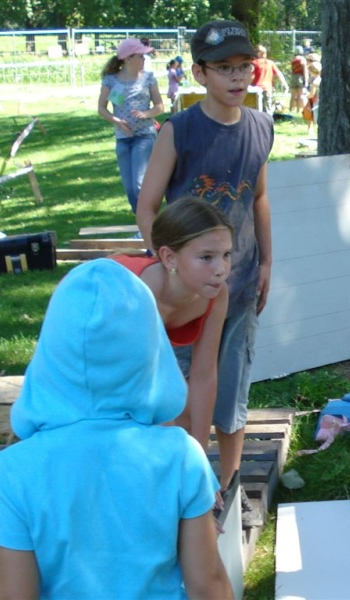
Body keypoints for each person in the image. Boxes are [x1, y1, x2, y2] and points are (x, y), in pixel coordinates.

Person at [0, 259, 233, 599]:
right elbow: (208, 585)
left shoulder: (13, 470)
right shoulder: (181, 455)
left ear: (49, 354)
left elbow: (15, 595)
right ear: (150, 352)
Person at [137, 19, 274, 529]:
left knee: (231, 383)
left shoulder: (262, 125)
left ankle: (229, 481)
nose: (237, 78)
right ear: (200, 72)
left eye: (244, 67)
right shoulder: (180, 129)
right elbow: (148, 206)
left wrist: (264, 262)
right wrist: (171, 269)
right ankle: (181, 477)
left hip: (237, 287)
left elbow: (258, 197)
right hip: (184, 295)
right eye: (223, 69)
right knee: (178, 385)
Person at [112, 197, 232, 452]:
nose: (221, 269)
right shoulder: (140, 295)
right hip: (91, 345)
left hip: (137, 371)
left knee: (185, 418)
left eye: (227, 255)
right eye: (206, 257)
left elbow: (204, 375)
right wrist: (177, 459)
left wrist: (198, 457)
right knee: (135, 431)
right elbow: (146, 384)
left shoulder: (216, 294)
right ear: (169, 258)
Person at [98, 38, 164, 214]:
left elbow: (160, 106)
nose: (144, 59)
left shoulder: (148, 78)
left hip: (144, 136)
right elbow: (101, 108)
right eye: (141, 56)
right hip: (123, 138)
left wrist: (147, 114)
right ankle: (143, 224)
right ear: (128, 58)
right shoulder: (111, 80)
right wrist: (117, 121)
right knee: (130, 188)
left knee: (139, 184)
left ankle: (149, 223)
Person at [252, 45, 289, 114]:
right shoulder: (270, 63)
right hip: (268, 88)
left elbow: (250, 76)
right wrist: (285, 84)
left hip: (256, 88)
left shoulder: (254, 63)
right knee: (267, 108)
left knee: (256, 108)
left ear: (258, 53)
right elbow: (279, 74)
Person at [303, 61, 321, 136]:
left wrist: (305, 95)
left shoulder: (315, 82)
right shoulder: (322, 79)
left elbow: (312, 94)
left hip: (316, 101)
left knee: (317, 119)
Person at [289, 46, 308, 113]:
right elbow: (305, 71)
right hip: (300, 78)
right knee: (299, 95)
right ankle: (298, 110)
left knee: (293, 95)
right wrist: (306, 81)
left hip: (293, 77)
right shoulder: (303, 59)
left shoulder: (293, 59)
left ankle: (290, 109)